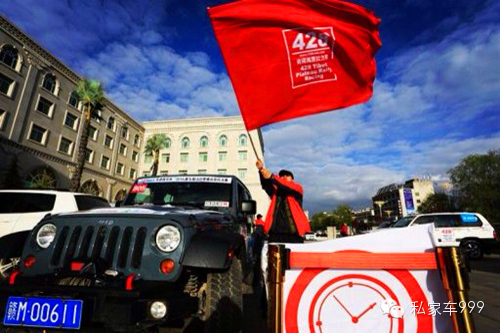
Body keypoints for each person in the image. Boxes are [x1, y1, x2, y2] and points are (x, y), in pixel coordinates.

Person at [256, 159, 310, 243]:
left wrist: (272, 177)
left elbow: (285, 185)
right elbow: (266, 184)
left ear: (292, 178)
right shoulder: (275, 192)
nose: (284, 177)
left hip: (294, 234)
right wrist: (261, 170)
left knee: (294, 256)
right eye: (282, 175)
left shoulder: (297, 188)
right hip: (275, 234)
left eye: (287, 175)